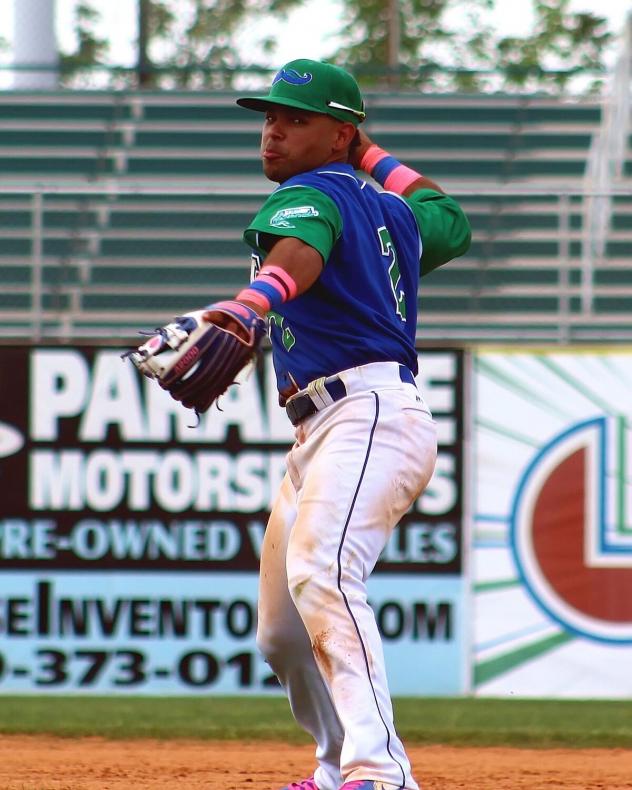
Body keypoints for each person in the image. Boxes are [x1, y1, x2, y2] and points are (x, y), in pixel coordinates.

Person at [232, 59, 471, 790]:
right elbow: (448, 215)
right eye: (270, 116)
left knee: (323, 574)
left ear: (335, 136)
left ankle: (380, 772)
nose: (274, 131)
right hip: (326, 427)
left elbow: (297, 254)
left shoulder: (313, 193)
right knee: (282, 630)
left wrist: (254, 301)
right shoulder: (391, 212)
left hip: (365, 413)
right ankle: (336, 768)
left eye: (296, 119)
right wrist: (368, 150)